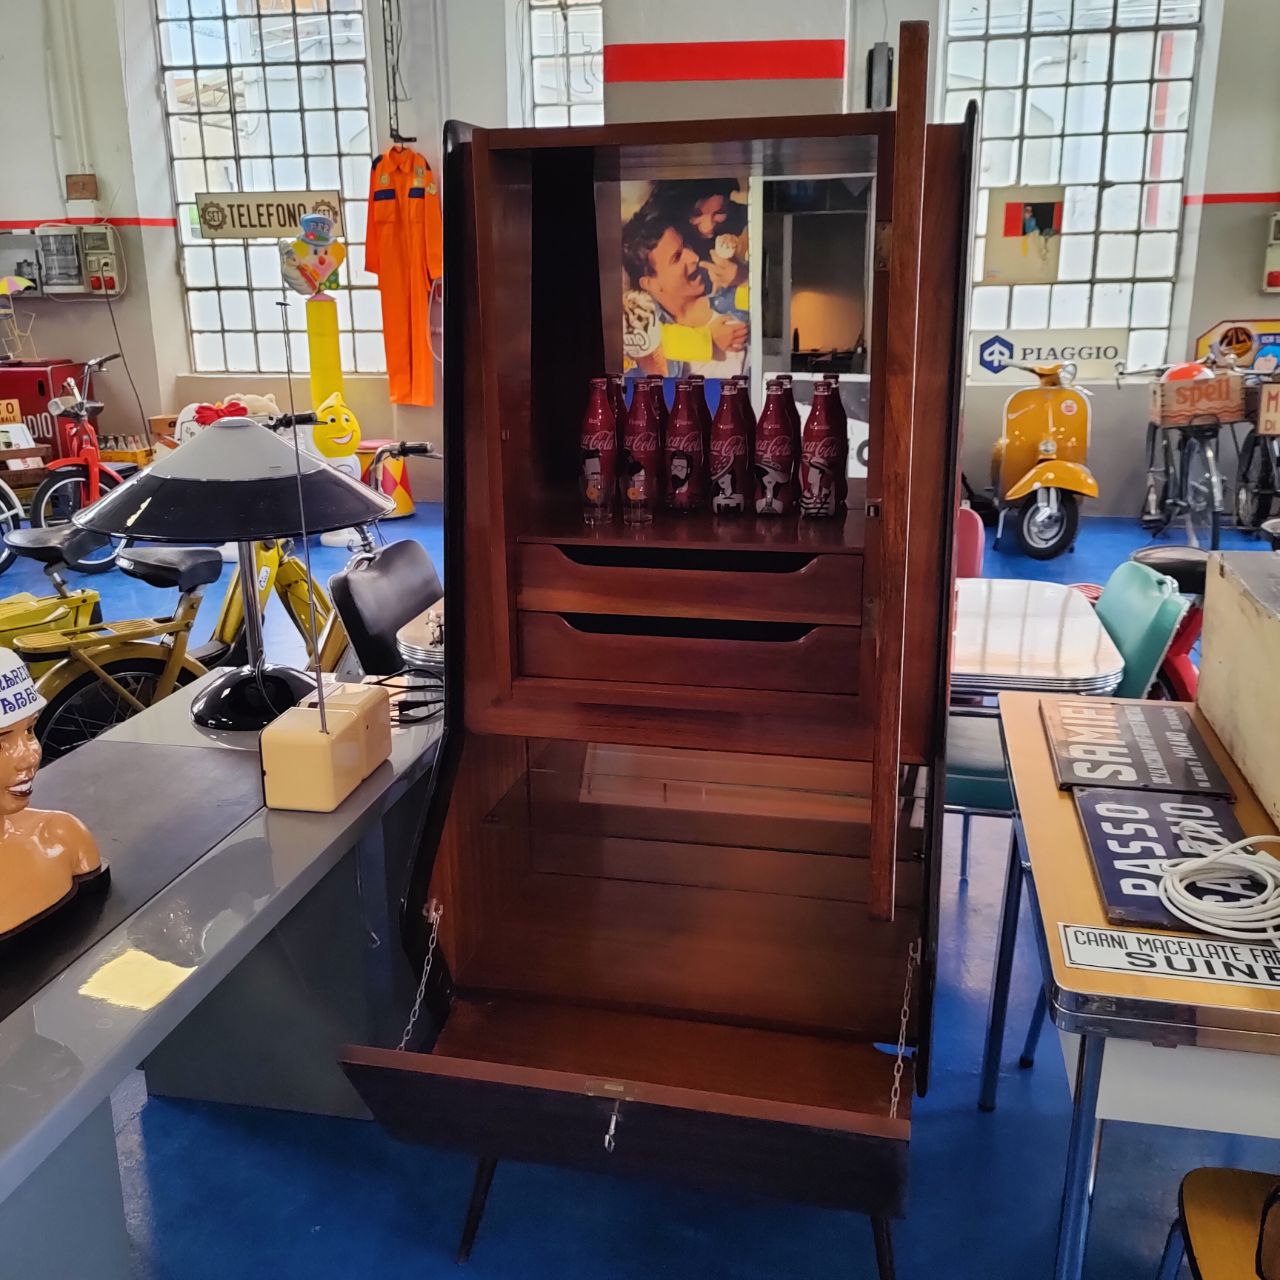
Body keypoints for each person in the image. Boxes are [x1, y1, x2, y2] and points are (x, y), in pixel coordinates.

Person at [622, 207, 747, 379]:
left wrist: (744, 279)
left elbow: (772, 314)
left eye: (685, 245)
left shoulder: (727, 296)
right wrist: (708, 341)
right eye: (677, 257)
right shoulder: (645, 336)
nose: (694, 257)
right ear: (650, 283)